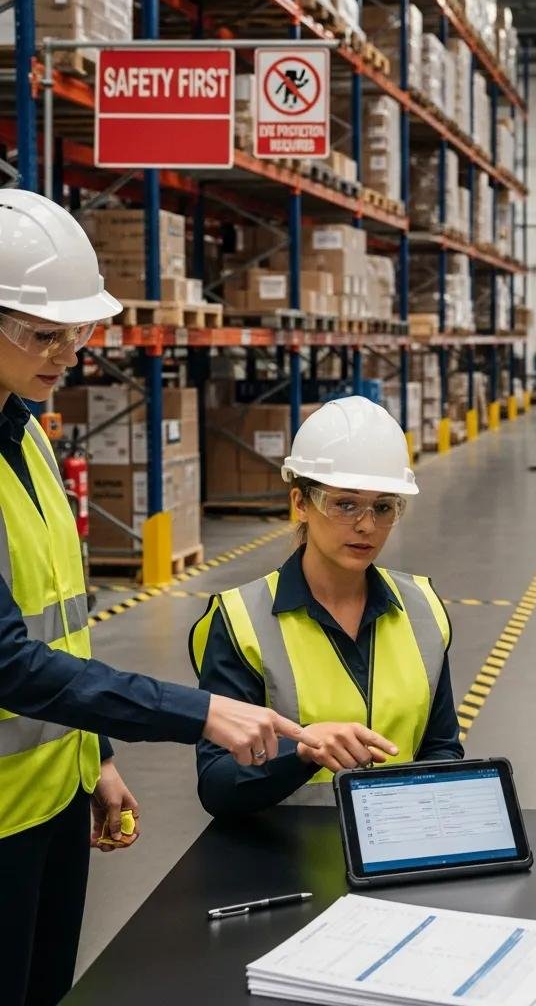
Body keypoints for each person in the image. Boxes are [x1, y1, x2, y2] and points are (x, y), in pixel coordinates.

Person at [0, 190, 317, 1005]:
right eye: (44, 333)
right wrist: (202, 714)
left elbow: (60, 631)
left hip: (51, 803)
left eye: (76, 332)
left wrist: (94, 756)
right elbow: (8, 663)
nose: (68, 352)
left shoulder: (27, 434)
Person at [190, 396, 464, 814]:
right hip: (284, 864)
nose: (366, 525)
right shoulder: (240, 620)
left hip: (397, 856)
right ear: (300, 503)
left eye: (384, 507)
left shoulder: (423, 610)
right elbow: (217, 784)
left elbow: (441, 747)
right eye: (345, 504)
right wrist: (302, 751)